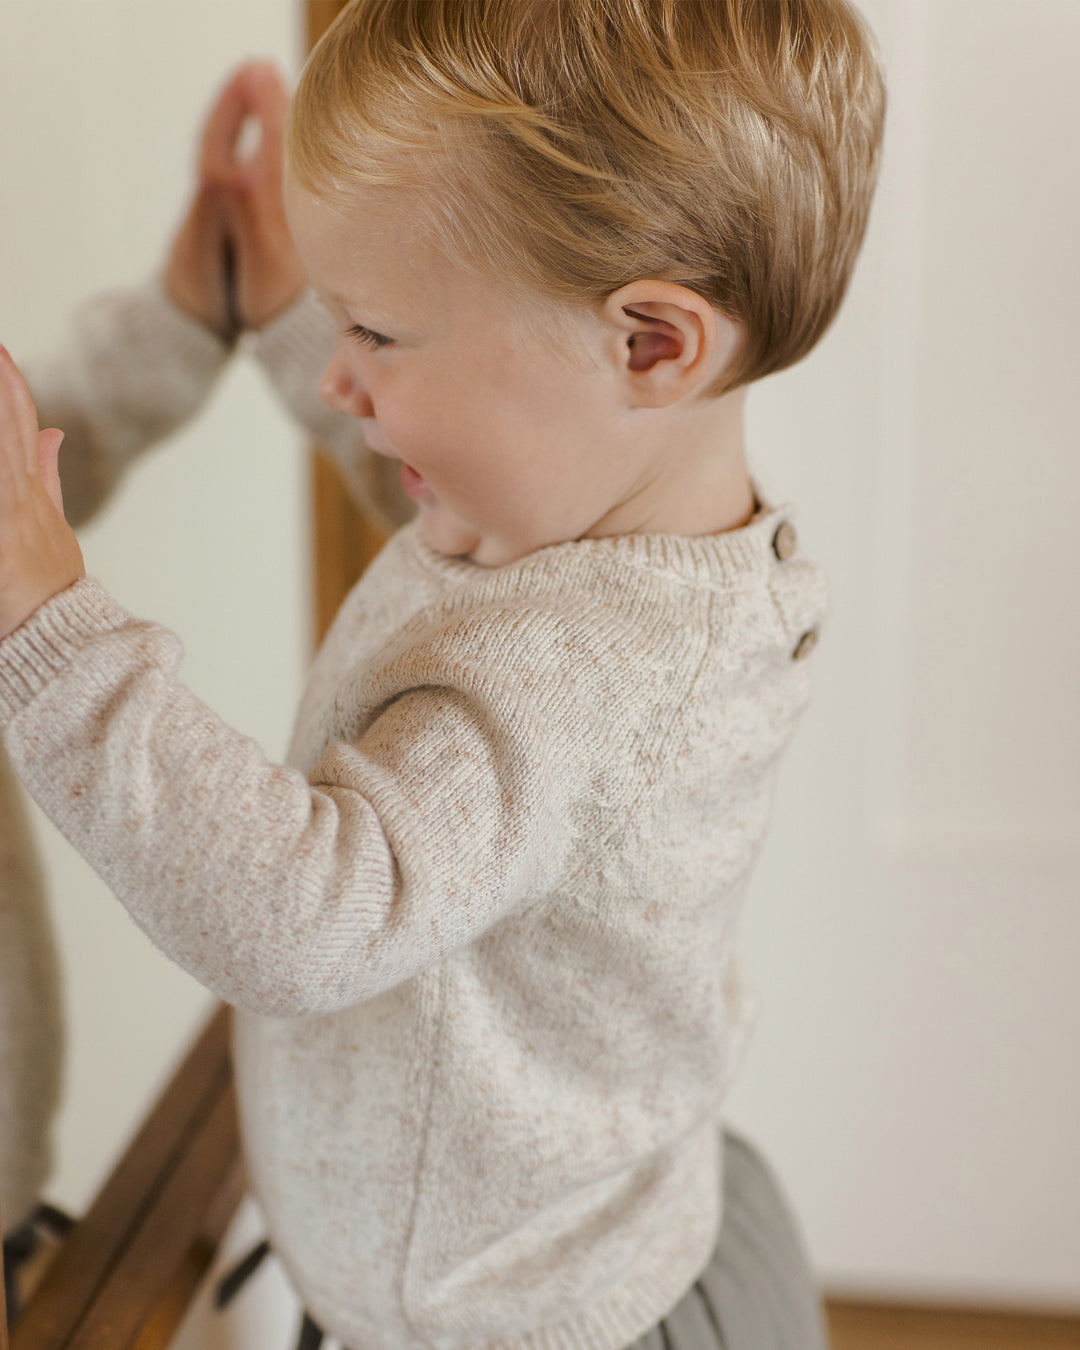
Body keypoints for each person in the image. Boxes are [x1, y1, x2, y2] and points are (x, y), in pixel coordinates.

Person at [0, 3, 885, 1347]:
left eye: (375, 332)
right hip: (588, 1232)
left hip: (520, 1315)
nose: (340, 381)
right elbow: (447, 520)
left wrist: (47, 630)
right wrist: (279, 315)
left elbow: (300, 913)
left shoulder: (582, 682)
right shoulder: (597, 518)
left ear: (652, 344)